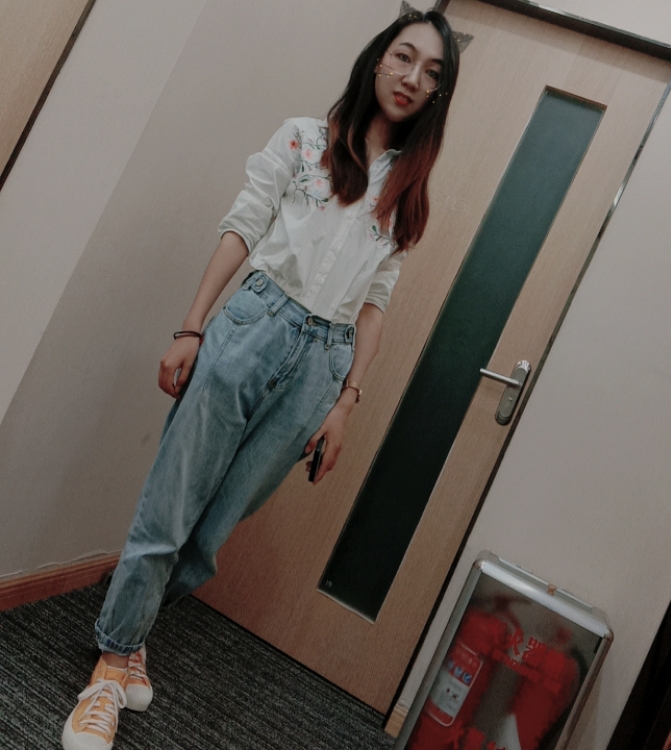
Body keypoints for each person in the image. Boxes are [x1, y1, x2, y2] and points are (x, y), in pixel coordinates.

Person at [61, 8, 460, 750]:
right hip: (254, 324)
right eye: (404, 57)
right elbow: (243, 225)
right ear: (378, 59)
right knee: (171, 504)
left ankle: (132, 634)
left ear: (439, 94)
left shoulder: (408, 193)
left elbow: (375, 305)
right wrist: (192, 326)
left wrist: (346, 403)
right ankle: (110, 667)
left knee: (210, 535)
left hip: (323, 364)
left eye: (432, 72)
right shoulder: (305, 139)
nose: (413, 78)